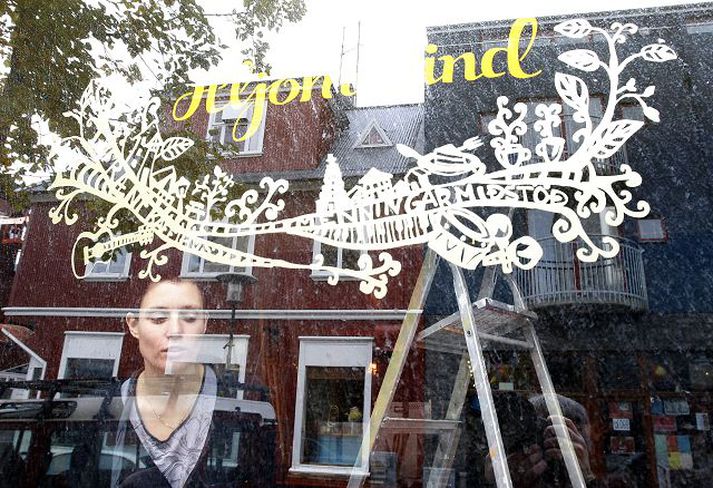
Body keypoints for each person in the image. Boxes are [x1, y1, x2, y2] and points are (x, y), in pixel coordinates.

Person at [113, 278, 219, 487]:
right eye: (159, 318)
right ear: (134, 325)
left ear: (204, 323)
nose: (175, 331)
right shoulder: (107, 407)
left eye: (189, 318)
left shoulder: (237, 405)